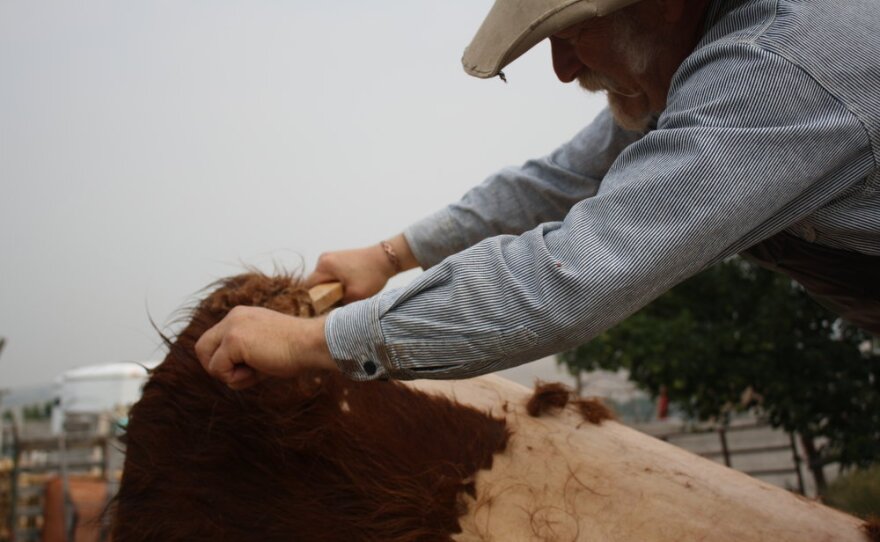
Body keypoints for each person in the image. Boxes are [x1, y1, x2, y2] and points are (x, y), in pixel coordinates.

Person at [196, 0, 880, 390]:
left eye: (574, 30)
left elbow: (563, 282)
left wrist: (311, 342)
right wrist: (391, 252)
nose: (561, 69)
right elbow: (558, 180)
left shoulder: (779, 68)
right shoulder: (693, 68)